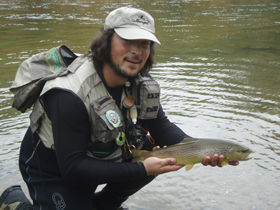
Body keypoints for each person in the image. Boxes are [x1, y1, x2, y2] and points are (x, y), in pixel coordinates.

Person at [0, 7, 239, 210]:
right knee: (145, 165)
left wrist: (198, 149)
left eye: (144, 44)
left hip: (100, 153)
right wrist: (141, 169)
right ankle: (13, 202)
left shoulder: (139, 81)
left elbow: (159, 125)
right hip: (54, 168)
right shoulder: (68, 94)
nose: (136, 52)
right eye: (127, 41)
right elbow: (73, 169)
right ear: (106, 41)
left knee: (151, 150)